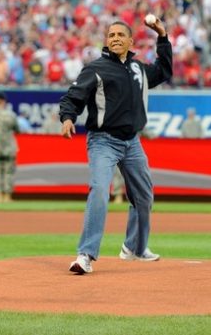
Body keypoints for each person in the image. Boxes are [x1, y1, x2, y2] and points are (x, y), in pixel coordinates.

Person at [59, 17, 172, 275]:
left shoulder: (138, 69)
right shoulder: (96, 69)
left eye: (121, 34)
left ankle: (134, 247)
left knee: (144, 196)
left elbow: (164, 71)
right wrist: (67, 117)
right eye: (111, 35)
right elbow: (73, 97)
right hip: (103, 141)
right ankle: (85, 255)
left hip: (132, 142)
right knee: (99, 189)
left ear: (131, 41)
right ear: (107, 41)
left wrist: (163, 37)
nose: (116, 38)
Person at [111, 126, 158, 204]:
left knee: (137, 175)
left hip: (134, 151)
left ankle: (137, 198)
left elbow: (150, 135)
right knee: (118, 173)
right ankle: (118, 196)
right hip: (118, 149)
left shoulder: (136, 119)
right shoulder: (117, 119)